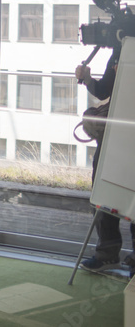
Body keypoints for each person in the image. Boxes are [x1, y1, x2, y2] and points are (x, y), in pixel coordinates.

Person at [76, 49, 135, 274]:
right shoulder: (123, 49)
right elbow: (103, 91)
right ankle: (107, 255)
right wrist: (88, 79)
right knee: (103, 191)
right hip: (115, 136)